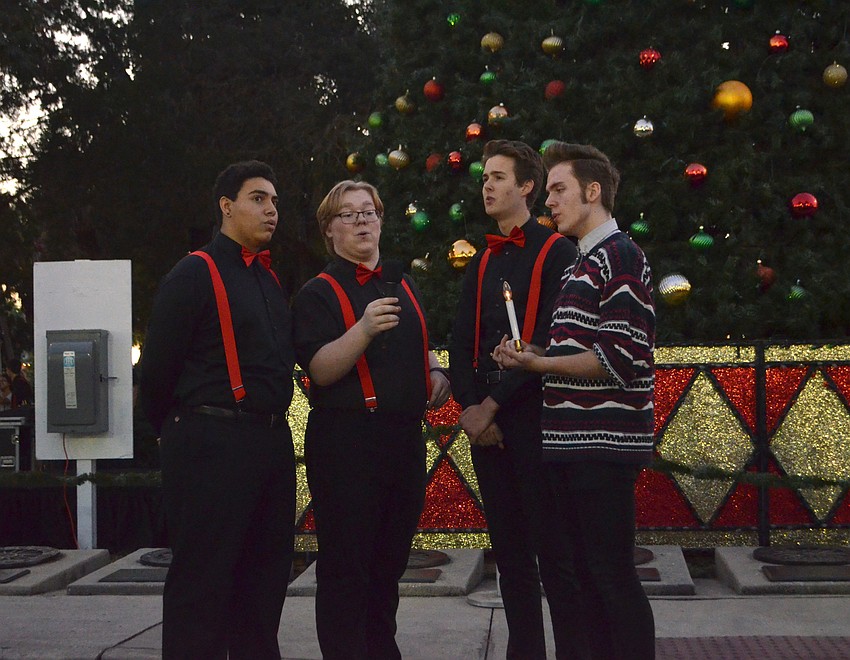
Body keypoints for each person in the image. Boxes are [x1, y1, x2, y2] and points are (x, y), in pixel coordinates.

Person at [495, 142, 656, 659]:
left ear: (593, 192)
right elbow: (576, 352)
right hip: (569, 446)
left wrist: (537, 366)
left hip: (603, 447)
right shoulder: (579, 265)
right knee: (586, 577)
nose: (550, 202)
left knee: (611, 576)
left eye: (559, 190)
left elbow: (617, 359)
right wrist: (532, 353)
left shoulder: (621, 256)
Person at [138, 160, 296, 659]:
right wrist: (182, 433)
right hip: (211, 442)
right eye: (258, 198)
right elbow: (156, 373)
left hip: (270, 444)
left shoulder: (269, 280)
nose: (271, 210)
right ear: (226, 206)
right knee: (202, 586)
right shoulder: (193, 273)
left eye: (274, 201)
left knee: (265, 584)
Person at [292, 180, 450, 660]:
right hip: (347, 442)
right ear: (329, 230)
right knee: (346, 568)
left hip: (403, 440)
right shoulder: (316, 294)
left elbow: (417, 342)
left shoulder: (402, 282)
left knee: (388, 564)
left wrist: (433, 369)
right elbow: (320, 369)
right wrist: (362, 329)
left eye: (369, 212)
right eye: (349, 214)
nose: (362, 221)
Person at [448, 139, 577, 658]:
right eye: (484, 177)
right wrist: (470, 409)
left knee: (555, 553)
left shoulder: (557, 251)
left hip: (536, 417)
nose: (487, 185)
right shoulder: (481, 260)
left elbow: (549, 339)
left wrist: (492, 405)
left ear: (527, 186)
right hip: (487, 424)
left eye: (498, 177)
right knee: (510, 556)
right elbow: (461, 341)